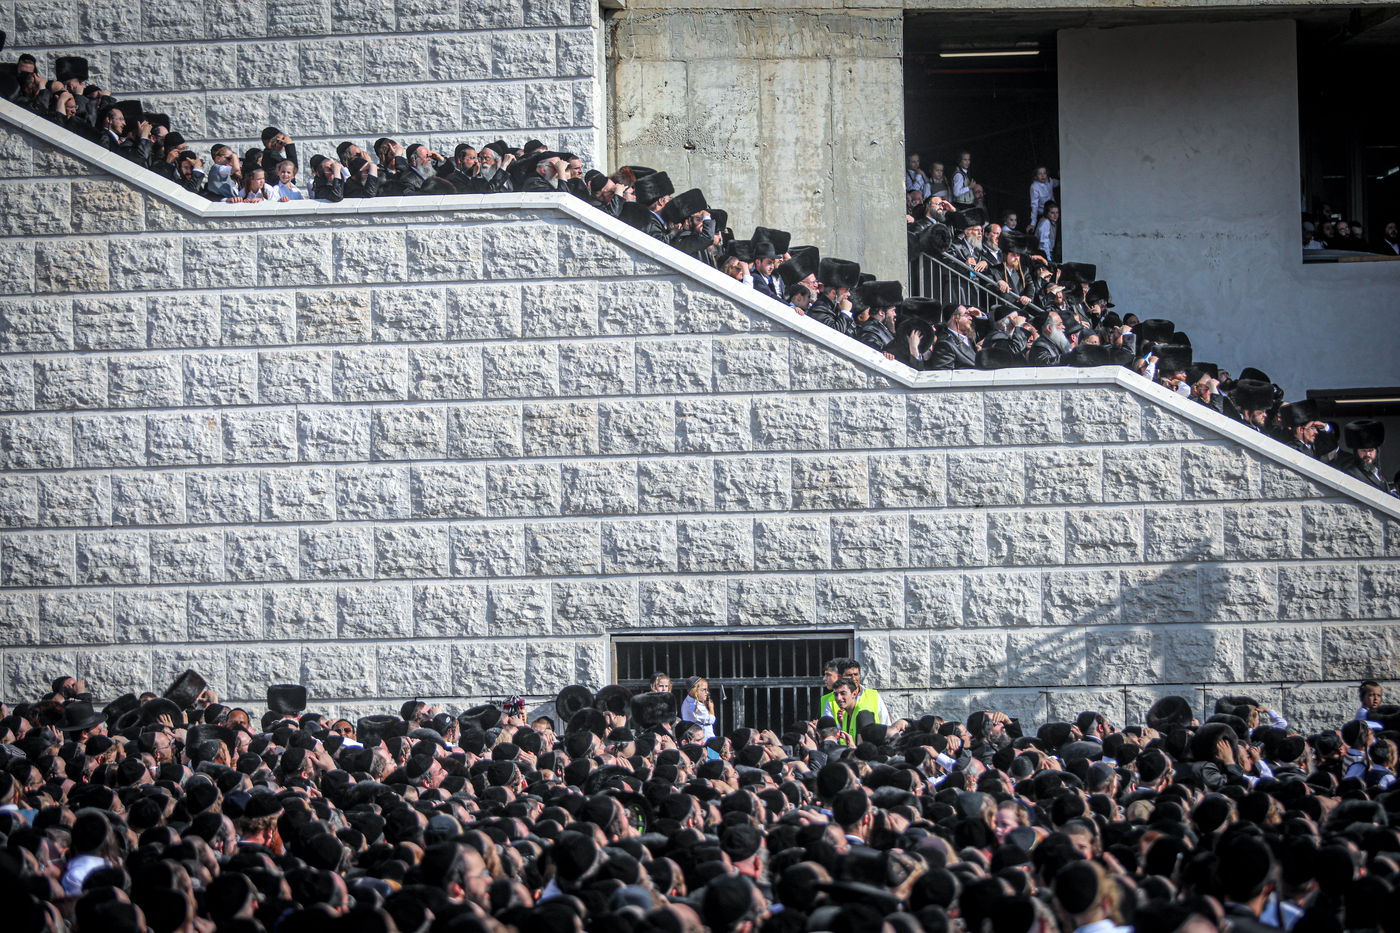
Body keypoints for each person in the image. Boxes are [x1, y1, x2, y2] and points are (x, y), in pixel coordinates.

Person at [1335, 420, 1395, 494]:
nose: (1367, 454)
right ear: (1356, 452)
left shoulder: (1375, 470)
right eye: (1363, 451)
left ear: (1376, 451)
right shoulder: (1351, 472)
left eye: (1370, 450)